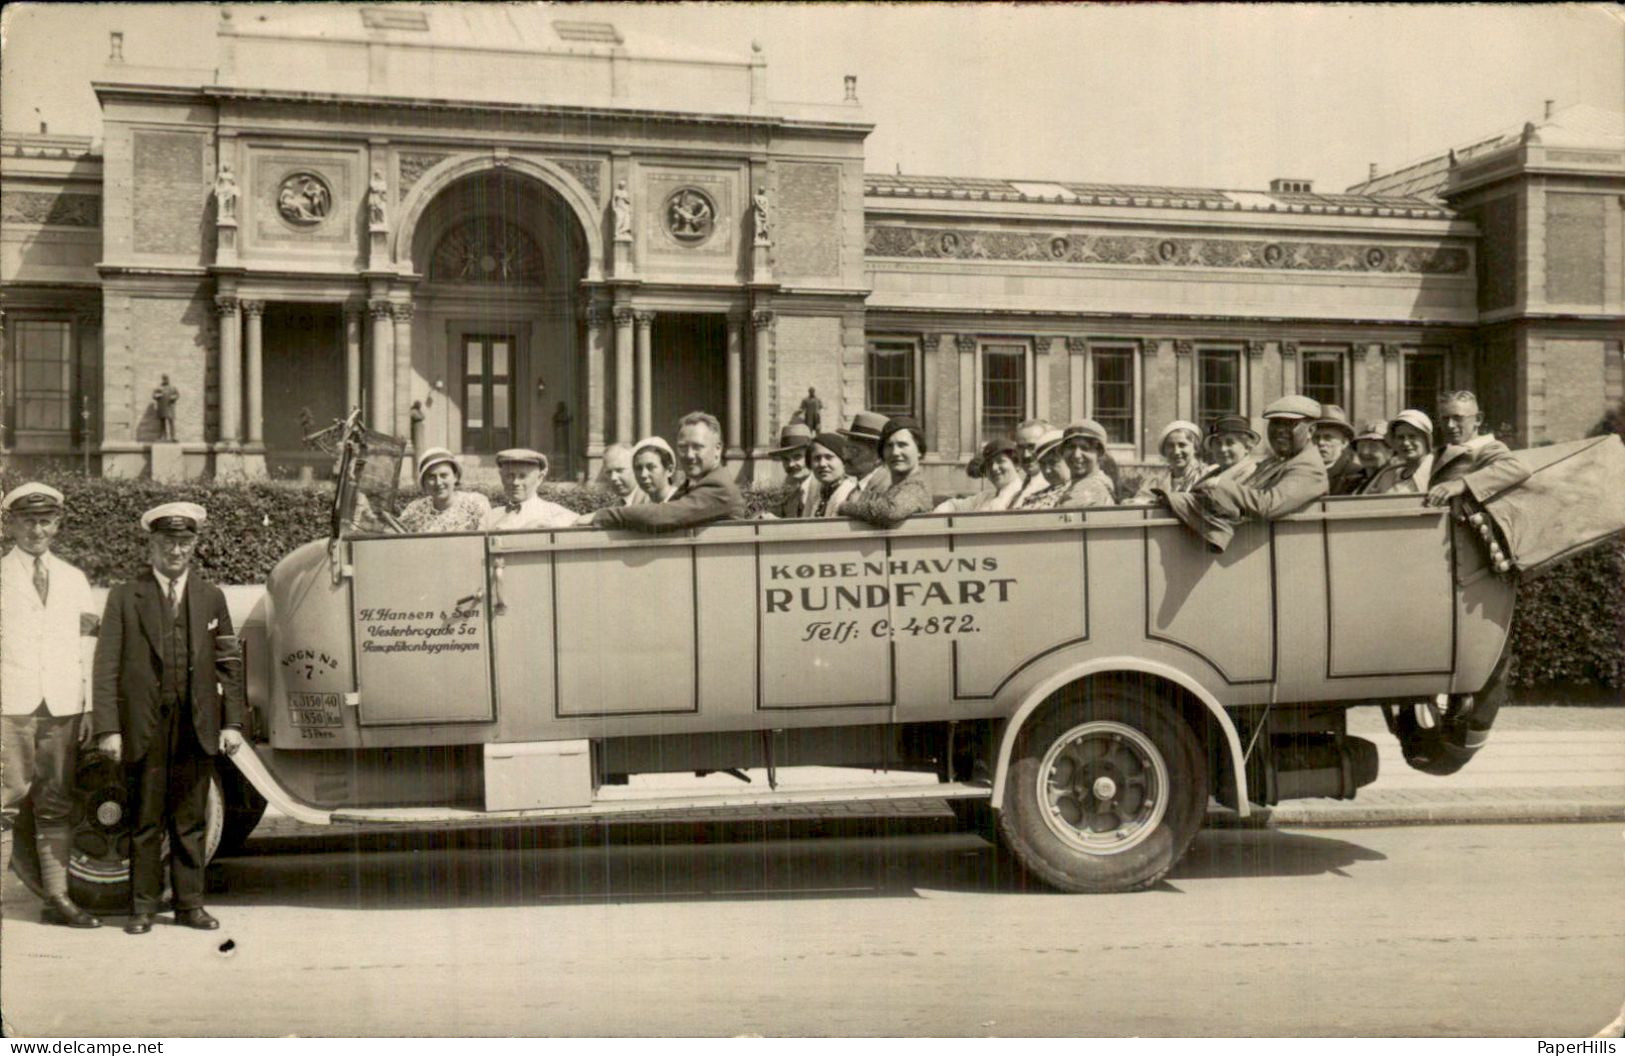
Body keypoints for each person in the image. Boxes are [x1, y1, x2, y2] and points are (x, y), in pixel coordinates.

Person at [93, 502, 245, 935]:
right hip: (144, 725)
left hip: (196, 723)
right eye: (167, 543)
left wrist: (232, 722)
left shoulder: (211, 596)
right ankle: (141, 907)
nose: (175, 552)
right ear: (151, 546)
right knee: (144, 818)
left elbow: (228, 663)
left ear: (194, 546)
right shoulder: (124, 597)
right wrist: (108, 728)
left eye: (184, 542)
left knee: (190, 817)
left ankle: (189, 905)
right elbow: (105, 666)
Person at [1, 484, 102, 928]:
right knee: (6, 801)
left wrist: (89, 706)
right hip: (10, 706)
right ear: (11, 524)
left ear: (57, 526)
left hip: (61, 706)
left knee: (56, 802)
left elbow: (87, 645)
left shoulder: (73, 579)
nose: (36, 530)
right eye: (27, 521)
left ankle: (57, 898)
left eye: (45, 521)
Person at [1159, 396, 1329, 550]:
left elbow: (1269, 505)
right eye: (1275, 423)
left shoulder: (1308, 467)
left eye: (1289, 423)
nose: (1279, 430)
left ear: (1311, 431)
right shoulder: (1278, 461)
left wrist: (1218, 485)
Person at [586, 412, 745, 531]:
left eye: (697, 447)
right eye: (682, 447)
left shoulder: (718, 487)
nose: (689, 455)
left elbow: (664, 515)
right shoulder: (693, 485)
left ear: (718, 449)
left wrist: (601, 515)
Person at [1423, 391, 1530, 507]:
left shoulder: (1488, 447)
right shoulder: (1442, 451)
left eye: (1458, 418)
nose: (1450, 425)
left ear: (1478, 419)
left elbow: (1516, 467)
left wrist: (1461, 484)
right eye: (1445, 419)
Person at [840, 416, 934, 528]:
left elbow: (891, 511)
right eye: (889, 446)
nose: (895, 452)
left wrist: (845, 507)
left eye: (902, 445)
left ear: (919, 450)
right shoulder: (895, 486)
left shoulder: (917, 486)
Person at [398, 447, 491, 532]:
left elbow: (483, 542)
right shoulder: (414, 511)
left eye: (444, 475)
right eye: (431, 477)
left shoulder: (476, 504)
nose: (438, 482)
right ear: (424, 482)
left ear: (455, 477)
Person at [480, 449, 576, 530]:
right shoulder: (492, 516)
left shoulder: (553, 512)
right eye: (509, 476)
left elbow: (584, 521)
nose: (515, 482)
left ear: (539, 478)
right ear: (501, 477)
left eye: (522, 476)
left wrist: (544, 524)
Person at [935, 438, 1024, 513]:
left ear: (1017, 465)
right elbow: (953, 505)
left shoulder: (1024, 497)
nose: (994, 468)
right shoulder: (985, 497)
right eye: (989, 464)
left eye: (1000, 461)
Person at [1362, 410, 1435, 495]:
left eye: (1412, 436)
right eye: (1400, 437)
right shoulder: (1388, 475)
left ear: (1426, 439)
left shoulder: (1437, 470)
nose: (1406, 443)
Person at [1132, 419, 1207, 501]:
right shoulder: (1157, 481)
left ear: (1195, 447)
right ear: (1164, 450)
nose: (1176, 452)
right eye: (1170, 446)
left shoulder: (1204, 477)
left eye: (1182, 445)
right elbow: (1138, 504)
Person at [1059, 419, 1119, 508]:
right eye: (1071, 447)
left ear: (1099, 453)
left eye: (1085, 448)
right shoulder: (1079, 484)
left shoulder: (1091, 490)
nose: (1077, 455)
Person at [760, 423, 815, 518]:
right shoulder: (794, 496)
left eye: (797, 457)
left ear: (811, 457)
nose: (791, 464)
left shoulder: (821, 491)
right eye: (785, 459)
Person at [805, 433, 862, 517]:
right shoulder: (817, 492)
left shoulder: (851, 493)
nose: (822, 464)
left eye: (829, 457)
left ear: (843, 461)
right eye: (817, 458)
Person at [1014, 429, 1071, 509]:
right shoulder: (1034, 497)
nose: (1047, 470)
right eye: (1042, 464)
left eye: (1053, 462)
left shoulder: (1075, 493)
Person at [1197, 415, 1262, 484]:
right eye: (1218, 442)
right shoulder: (1213, 474)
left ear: (1247, 447)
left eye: (1230, 443)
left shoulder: (1251, 475)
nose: (1222, 449)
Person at [1315, 404, 1362, 495]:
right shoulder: (1303, 471)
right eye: (1316, 437)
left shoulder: (1355, 474)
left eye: (1328, 438)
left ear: (1344, 443)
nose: (1321, 443)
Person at [839, 410, 892, 492]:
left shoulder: (885, 489)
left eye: (855, 451)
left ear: (879, 457)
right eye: (847, 448)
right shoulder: (858, 488)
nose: (847, 456)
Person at [1013, 417, 1053, 504]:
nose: (1026, 455)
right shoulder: (1022, 487)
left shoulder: (1052, 485)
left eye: (1031, 447)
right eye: (1021, 448)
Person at [1349, 420, 1394, 494]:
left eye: (1373, 446)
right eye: (1361, 445)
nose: (1365, 452)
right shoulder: (1354, 481)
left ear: (1390, 450)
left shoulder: (1393, 479)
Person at [631, 436, 680, 504]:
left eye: (651, 467)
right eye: (638, 468)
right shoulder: (640, 505)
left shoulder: (681, 503)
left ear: (669, 470)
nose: (643, 475)